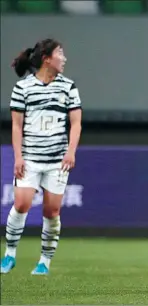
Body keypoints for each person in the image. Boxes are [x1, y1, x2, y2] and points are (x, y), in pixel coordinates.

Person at [0, 39, 82, 275]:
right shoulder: (23, 87)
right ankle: (9, 255)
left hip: (57, 160)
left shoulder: (68, 87)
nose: (64, 58)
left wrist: (71, 151)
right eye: (60, 54)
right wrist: (18, 156)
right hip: (30, 157)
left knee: (52, 211)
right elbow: (17, 126)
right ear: (47, 58)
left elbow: (75, 123)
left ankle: (44, 261)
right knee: (21, 204)